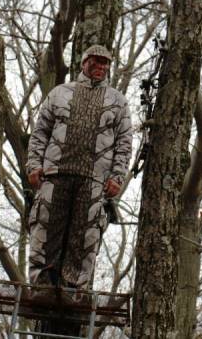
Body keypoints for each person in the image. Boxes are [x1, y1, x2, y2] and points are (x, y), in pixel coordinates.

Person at [26, 45, 132, 292]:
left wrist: (117, 176)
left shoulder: (117, 101)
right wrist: (34, 165)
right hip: (55, 175)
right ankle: (42, 287)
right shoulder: (60, 93)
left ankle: (72, 291)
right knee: (46, 229)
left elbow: (124, 142)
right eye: (95, 61)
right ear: (84, 62)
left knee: (84, 236)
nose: (100, 66)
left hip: (94, 180)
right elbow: (40, 132)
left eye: (105, 63)